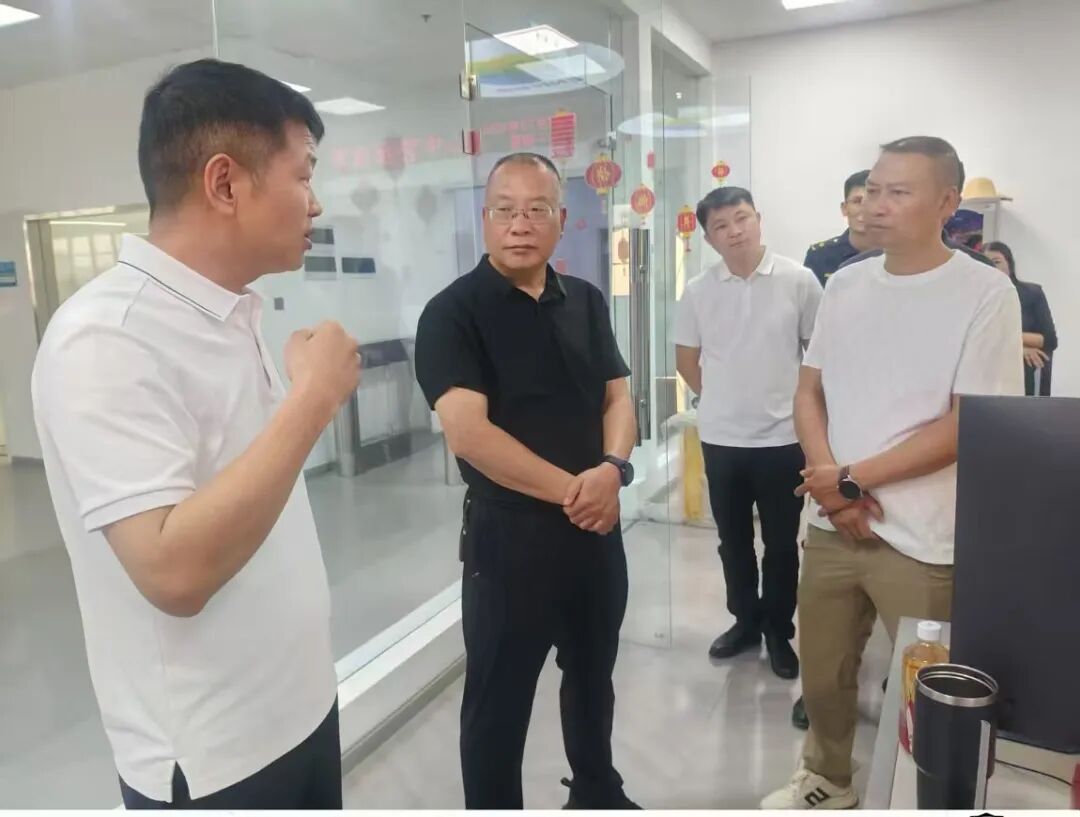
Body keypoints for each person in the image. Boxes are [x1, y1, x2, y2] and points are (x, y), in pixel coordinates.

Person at [31, 60, 360, 809]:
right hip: (215, 759)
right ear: (225, 183)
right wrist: (312, 400)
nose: (315, 202)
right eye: (303, 175)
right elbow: (173, 571)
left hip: (299, 709)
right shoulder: (105, 337)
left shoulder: (228, 309)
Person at [761, 136, 1022, 809]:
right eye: (872, 189)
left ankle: (926, 796)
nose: (876, 204)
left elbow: (967, 424)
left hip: (922, 537)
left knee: (926, 692)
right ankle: (828, 777)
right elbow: (809, 392)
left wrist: (850, 479)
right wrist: (832, 485)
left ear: (946, 203)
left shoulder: (985, 293)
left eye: (897, 192)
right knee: (823, 673)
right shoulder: (846, 283)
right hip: (832, 522)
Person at [414, 152, 639, 810]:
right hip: (509, 541)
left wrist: (612, 469)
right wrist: (580, 491)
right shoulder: (453, 313)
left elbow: (618, 397)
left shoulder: (585, 300)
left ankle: (596, 789)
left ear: (561, 219)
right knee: (498, 701)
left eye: (536, 209)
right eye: (505, 210)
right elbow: (470, 434)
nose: (520, 224)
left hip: (595, 530)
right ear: (484, 219)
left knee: (593, 673)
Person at [674, 187, 822, 680]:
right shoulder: (699, 291)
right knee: (732, 540)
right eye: (721, 225)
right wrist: (720, 397)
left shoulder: (799, 280)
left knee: (780, 544)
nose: (735, 232)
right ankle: (745, 623)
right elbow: (687, 359)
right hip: (722, 439)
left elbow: (818, 356)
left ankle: (778, 630)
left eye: (742, 219)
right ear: (709, 238)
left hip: (783, 439)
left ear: (758, 218)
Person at [984, 241, 1058, 396]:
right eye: (985, 263)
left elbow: (1049, 340)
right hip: (988, 373)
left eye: (997, 262)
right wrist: (1020, 349)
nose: (991, 267)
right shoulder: (978, 298)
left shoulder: (1032, 293)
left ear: (1010, 265)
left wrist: (1010, 343)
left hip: (1027, 374)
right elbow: (979, 340)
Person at [803, 170, 875, 286]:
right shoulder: (820, 255)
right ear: (844, 208)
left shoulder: (897, 254)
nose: (864, 209)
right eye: (857, 201)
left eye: (871, 201)